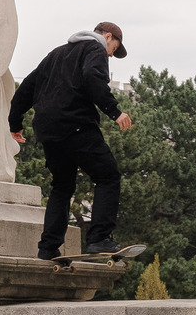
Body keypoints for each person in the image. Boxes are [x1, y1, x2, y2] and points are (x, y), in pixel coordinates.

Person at [9, 23, 133, 259]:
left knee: (62, 186)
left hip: (48, 131)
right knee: (108, 176)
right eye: (113, 49)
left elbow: (26, 88)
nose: (110, 55)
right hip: (76, 125)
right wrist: (115, 112)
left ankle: (48, 247)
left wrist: (15, 124)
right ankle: (99, 239)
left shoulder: (55, 54)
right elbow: (92, 77)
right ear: (107, 37)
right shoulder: (94, 49)